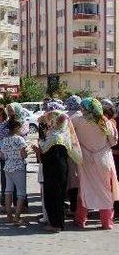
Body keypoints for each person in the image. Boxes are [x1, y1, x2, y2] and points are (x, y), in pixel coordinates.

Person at [71, 98, 118, 230]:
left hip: (85, 159)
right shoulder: (105, 121)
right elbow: (113, 142)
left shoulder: (78, 121)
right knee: (106, 190)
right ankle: (106, 222)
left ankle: (80, 220)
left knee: (85, 188)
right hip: (104, 158)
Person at [32, 111, 81, 232]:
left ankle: (56, 224)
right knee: (58, 195)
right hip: (60, 168)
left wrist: (39, 152)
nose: (49, 122)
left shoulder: (55, 137)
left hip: (54, 169)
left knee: (53, 195)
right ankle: (57, 222)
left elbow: (50, 156)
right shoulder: (64, 134)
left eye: (51, 119)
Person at [0, 120, 28, 224]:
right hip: (18, 167)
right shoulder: (20, 139)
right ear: (16, 128)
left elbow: (2, 155)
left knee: (8, 191)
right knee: (21, 192)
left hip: (8, 166)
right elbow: (24, 154)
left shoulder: (5, 139)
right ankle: (17, 216)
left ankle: (9, 216)